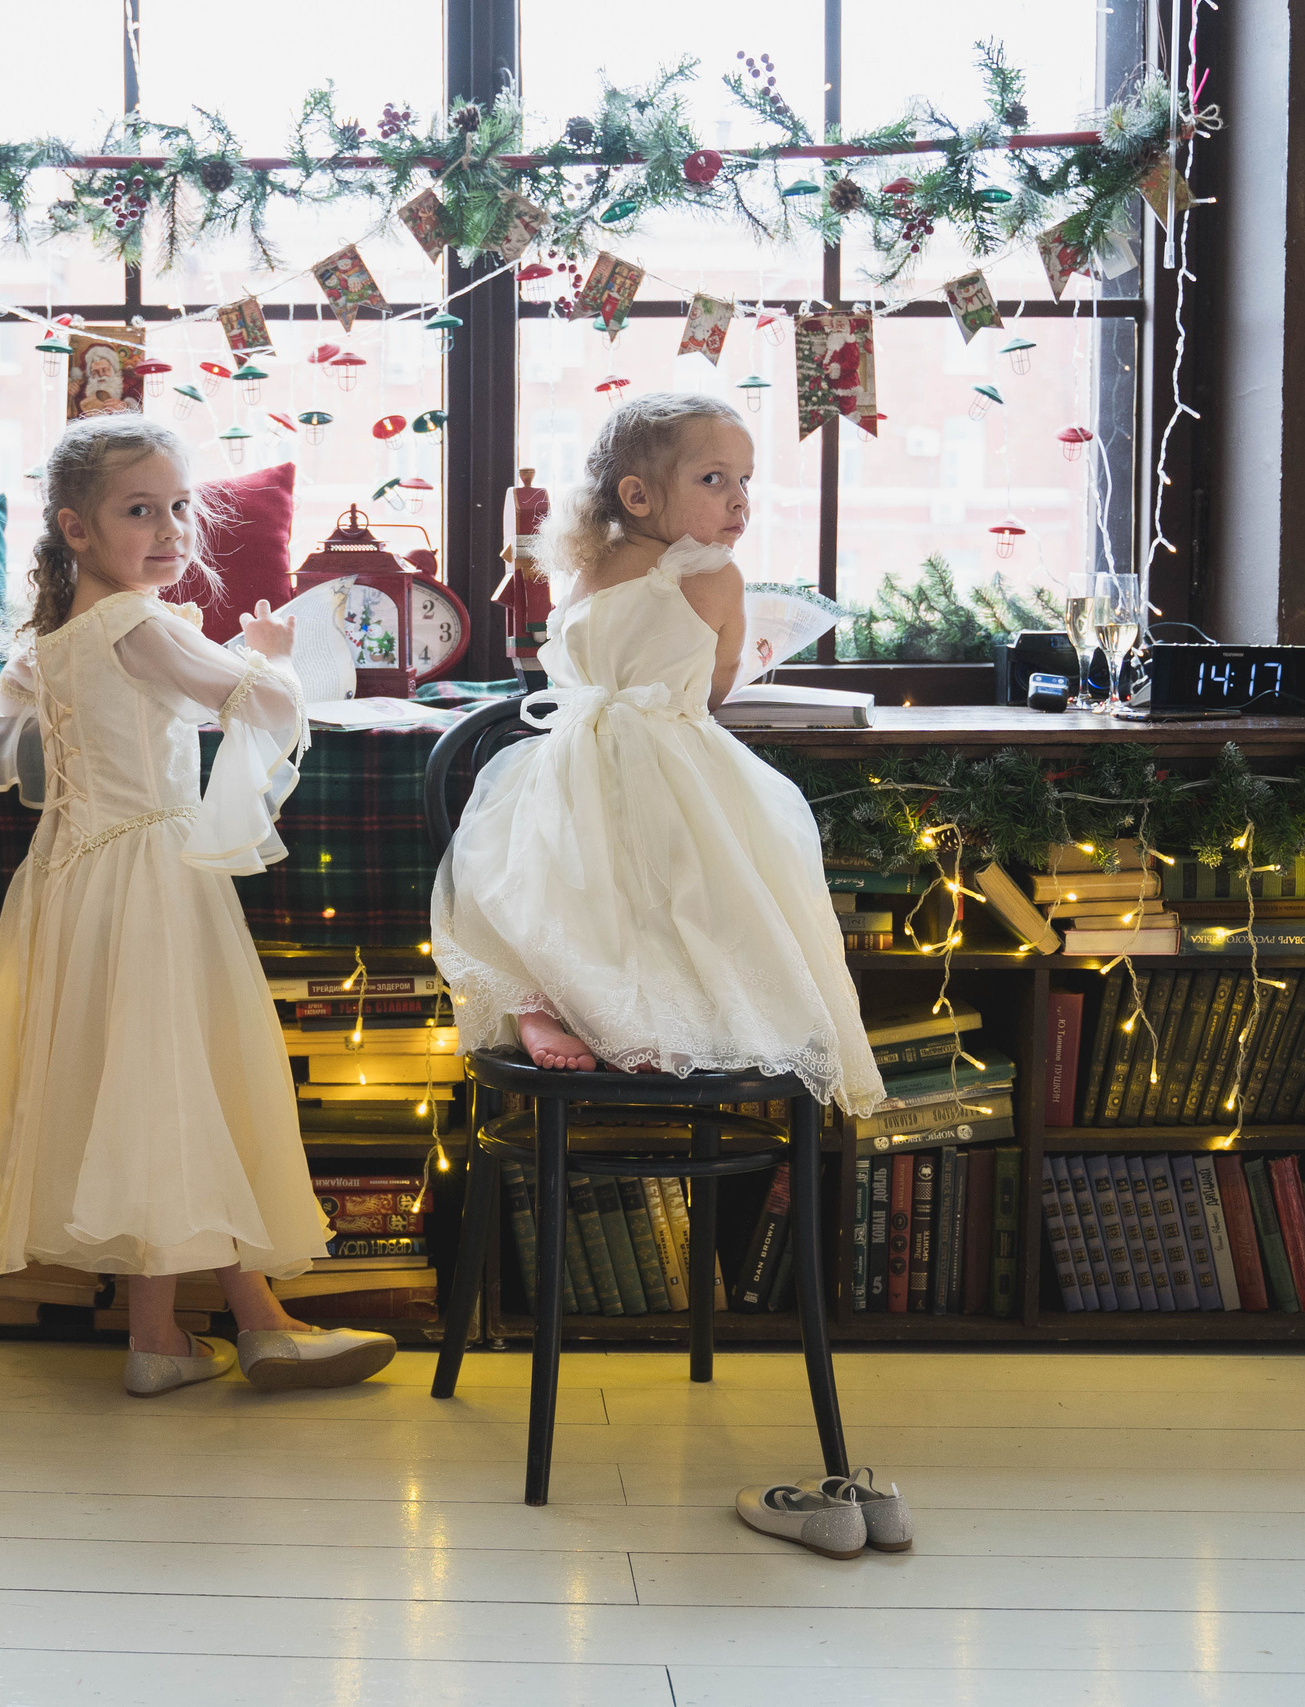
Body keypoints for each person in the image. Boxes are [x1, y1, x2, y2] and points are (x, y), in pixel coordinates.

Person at [427, 391, 902, 1551]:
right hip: (673, 784)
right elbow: (720, 687)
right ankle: (685, 1027)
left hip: (565, 786)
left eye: (744, 481)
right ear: (643, 494)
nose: (737, 502)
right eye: (714, 480)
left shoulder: (585, 573)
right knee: (719, 902)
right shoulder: (712, 581)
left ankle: (555, 1006)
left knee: (562, 901)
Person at [0, 415, 396, 1397]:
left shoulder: (52, 641)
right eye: (142, 511)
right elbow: (262, 707)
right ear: (75, 529)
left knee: (144, 1090)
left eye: (179, 507)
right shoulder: (139, 624)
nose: (171, 528)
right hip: (151, 876)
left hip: (71, 883)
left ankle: (163, 1337)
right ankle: (228, 1326)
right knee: (177, 1083)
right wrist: (267, 650)